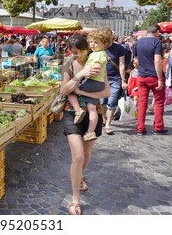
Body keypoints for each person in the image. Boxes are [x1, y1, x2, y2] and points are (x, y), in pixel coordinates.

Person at [60, 35, 110, 215]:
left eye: (80, 52)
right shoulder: (68, 64)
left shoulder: (97, 62)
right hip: (72, 113)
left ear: (88, 49)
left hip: (93, 113)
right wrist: (79, 76)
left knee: (87, 154)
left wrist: (81, 91)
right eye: (73, 52)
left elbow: (106, 91)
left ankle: (79, 176)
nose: (77, 55)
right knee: (78, 156)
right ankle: (75, 199)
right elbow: (63, 91)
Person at [68, 29, 112, 141]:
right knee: (92, 108)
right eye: (91, 42)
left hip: (92, 82)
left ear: (105, 44)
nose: (92, 44)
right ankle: (90, 132)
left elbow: (96, 68)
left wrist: (87, 71)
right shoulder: (98, 54)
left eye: (96, 42)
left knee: (71, 90)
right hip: (98, 84)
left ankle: (78, 110)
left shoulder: (98, 55)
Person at [134, 24, 167, 135]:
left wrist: (141, 70)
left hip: (142, 76)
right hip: (154, 76)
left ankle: (140, 128)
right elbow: (157, 61)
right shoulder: (157, 42)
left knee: (142, 102)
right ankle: (158, 127)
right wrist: (160, 78)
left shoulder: (138, 43)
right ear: (157, 32)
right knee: (158, 102)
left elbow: (136, 62)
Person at [100, 29, 127, 135]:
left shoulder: (119, 48)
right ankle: (103, 119)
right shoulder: (100, 47)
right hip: (102, 78)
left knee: (112, 102)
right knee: (102, 102)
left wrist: (123, 80)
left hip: (115, 78)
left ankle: (108, 124)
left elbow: (121, 64)